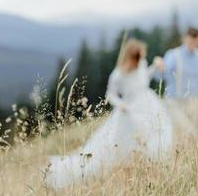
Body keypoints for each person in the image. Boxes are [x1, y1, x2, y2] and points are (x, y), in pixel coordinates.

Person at [45, 39, 173, 189]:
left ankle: (151, 168)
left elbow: (144, 77)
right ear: (130, 57)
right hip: (129, 112)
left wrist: (155, 67)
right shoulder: (118, 74)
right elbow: (110, 95)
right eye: (136, 58)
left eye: (141, 57)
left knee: (155, 134)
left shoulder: (142, 65)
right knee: (121, 145)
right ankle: (124, 173)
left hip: (148, 105)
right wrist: (122, 105)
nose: (139, 61)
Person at [154, 27, 198, 136]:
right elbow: (159, 77)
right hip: (174, 101)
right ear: (184, 39)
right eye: (190, 39)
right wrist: (159, 67)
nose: (192, 42)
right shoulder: (173, 55)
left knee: (189, 135)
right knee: (189, 133)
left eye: (195, 40)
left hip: (194, 102)